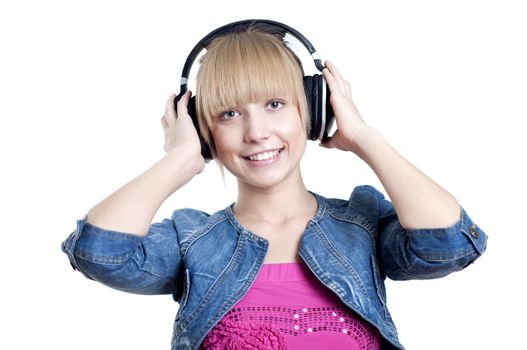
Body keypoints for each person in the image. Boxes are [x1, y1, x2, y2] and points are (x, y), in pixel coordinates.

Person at [61, 20, 487, 350]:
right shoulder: (191, 240)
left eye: (275, 104)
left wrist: (363, 137)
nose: (256, 132)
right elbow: (100, 253)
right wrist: (179, 160)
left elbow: (450, 244)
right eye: (229, 113)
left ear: (313, 110)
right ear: (204, 131)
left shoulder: (363, 226)